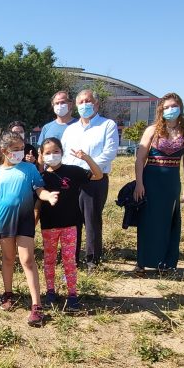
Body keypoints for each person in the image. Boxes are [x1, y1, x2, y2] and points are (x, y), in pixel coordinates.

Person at [0, 131, 59, 327]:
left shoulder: (29, 169)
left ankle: (36, 305)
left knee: (28, 260)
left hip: (25, 220)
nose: (20, 152)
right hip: (3, 221)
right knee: (8, 258)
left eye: (22, 148)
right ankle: (7, 294)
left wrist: (48, 196)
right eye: (16, 149)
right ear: (4, 151)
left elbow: (39, 189)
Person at [133, 93, 184, 274]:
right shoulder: (152, 130)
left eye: (173, 106)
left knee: (169, 222)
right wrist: (139, 183)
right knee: (147, 221)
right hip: (150, 180)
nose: (170, 110)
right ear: (161, 110)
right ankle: (142, 262)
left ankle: (166, 264)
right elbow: (140, 159)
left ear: (180, 108)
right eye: (166, 107)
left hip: (171, 183)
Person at [38, 138, 103, 312]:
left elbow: (98, 175)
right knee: (49, 260)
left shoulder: (73, 171)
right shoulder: (40, 177)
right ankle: (50, 292)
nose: (52, 155)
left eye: (56, 151)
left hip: (70, 225)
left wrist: (86, 158)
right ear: (42, 155)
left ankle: (72, 295)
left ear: (62, 152)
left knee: (69, 261)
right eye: (48, 153)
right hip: (48, 225)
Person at [60, 89, 119, 268]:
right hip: (73, 181)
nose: (84, 105)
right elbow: (64, 154)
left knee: (91, 220)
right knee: (72, 221)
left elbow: (109, 153)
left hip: (94, 179)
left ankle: (92, 260)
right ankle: (72, 258)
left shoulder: (107, 125)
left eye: (88, 101)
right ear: (76, 106)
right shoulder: (70, 129)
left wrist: (88, 168)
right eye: (81, 102)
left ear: (96, 104)